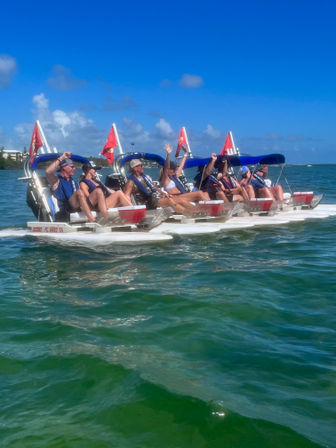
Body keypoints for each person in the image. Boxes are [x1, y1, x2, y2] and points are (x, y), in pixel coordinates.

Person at [124, 158, 193, 214]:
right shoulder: (130, 182)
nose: (143, 167)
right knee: (170, 201)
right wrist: (133, 210)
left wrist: (164, 193)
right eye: (141, 166)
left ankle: (196, 210)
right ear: (135, 168)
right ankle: (189, 213)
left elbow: (154, 187)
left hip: (156, 198)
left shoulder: (146, 177)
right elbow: (126, 196)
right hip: (148, 202)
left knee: (179, 199)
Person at [45, 152, 98, 222]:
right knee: (79, 192)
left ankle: (105, 216)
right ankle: (92, 220)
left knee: (97, 192)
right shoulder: (56, 181)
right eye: (72, 167)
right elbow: (48, 171)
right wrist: (61, 158)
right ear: (64, 167)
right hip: (66, 209)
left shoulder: (73, 181)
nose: (74, 168)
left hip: (77, 206)